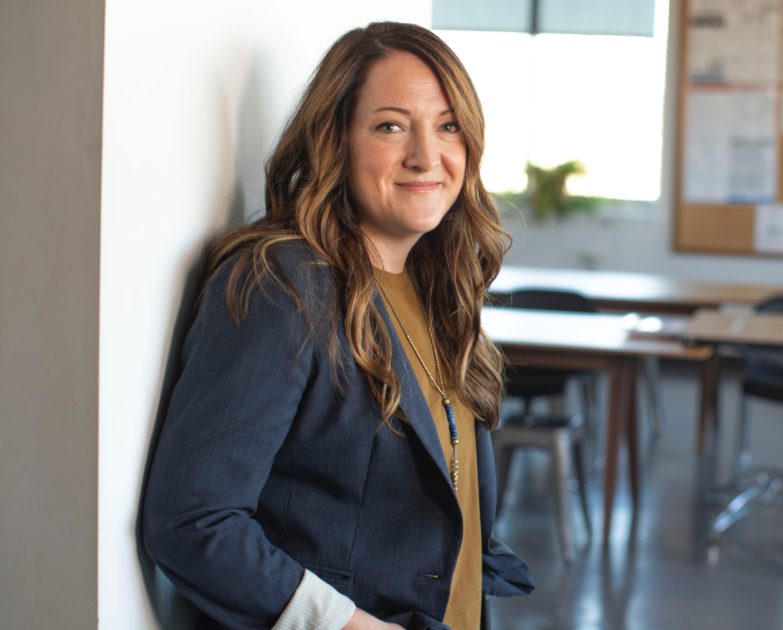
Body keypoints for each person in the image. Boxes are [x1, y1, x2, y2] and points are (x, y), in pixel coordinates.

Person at [141, 22, 533, 630]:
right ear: (337, 140)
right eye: (390, 125)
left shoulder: (439, 286)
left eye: (448, 124)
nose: (427, 156)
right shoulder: (286, 284)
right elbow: (193, 520)